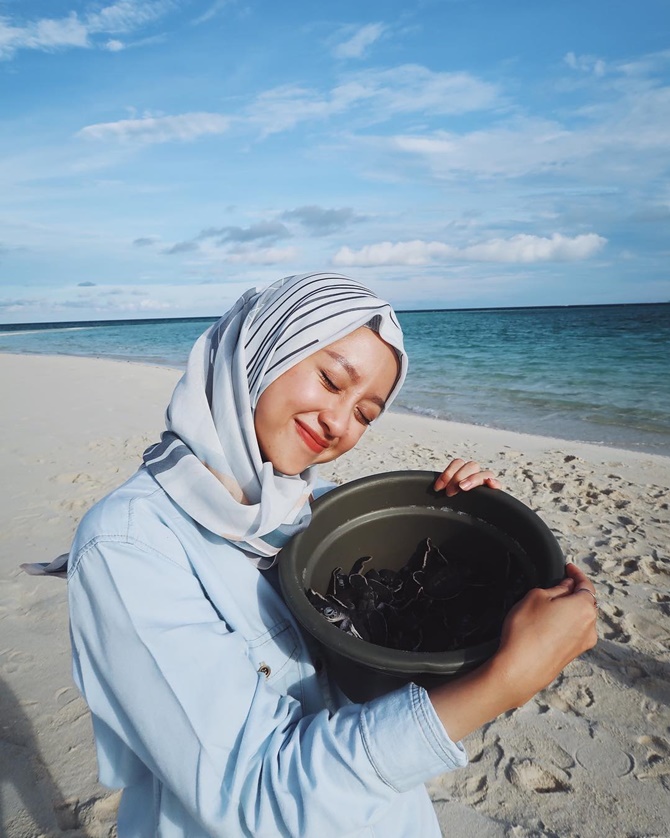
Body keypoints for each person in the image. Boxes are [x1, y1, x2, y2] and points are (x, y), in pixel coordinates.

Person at [66, 272, 598, 838]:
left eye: (367, 413)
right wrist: (503, 682)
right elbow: (254, 795)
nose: (340, 424)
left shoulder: (307, 509)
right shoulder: (129, 545)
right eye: (329, 379)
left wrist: (471, 543)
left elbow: (393, 671)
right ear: (263, 348)